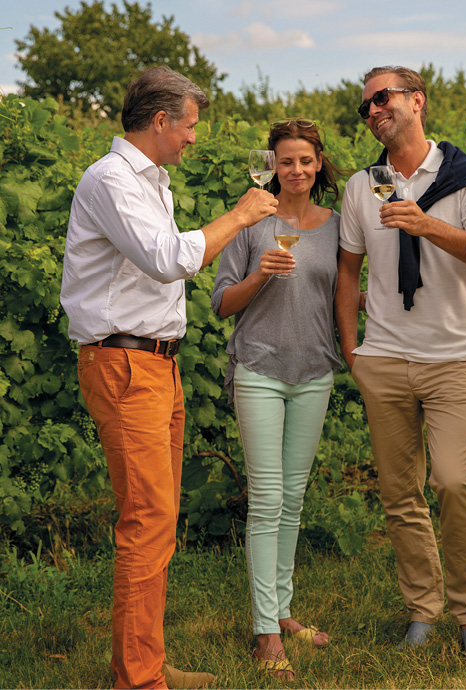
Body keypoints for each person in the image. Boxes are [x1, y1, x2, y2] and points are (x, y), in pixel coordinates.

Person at [60, 65, 277, 689]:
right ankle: (137, 679)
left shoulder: (151, 182)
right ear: (160, 121)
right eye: (188, 127)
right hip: (126, 364)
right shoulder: (112, 180)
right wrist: (239, 216)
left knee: (157, 518)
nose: (191, 139)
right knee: (146, 521)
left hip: (155, 363)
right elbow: (167, 259)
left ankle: (144, 664)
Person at [335, 65, 466, 658]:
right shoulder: (364, 185)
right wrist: (350, 350)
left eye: (382, 98)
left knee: (456, 484)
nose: (373, 111)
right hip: (382, 358)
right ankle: (422, 609)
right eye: (365, 106)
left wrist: (424, 224)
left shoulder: (465, 181)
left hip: (451, 357)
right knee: (399, 493)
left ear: (417, 100)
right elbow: (347, 272)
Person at [211, 119, 342, 680]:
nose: (296, 170)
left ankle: (282, 612)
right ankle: (267, 631)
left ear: (318, 165)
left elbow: (348, 293)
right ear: (271, 166)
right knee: (267, 499)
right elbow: (221, 304)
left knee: (293, 497)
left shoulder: (337, 226)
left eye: (305, 161)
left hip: (314, 372)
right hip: (260, 369)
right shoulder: (252, 220)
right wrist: (262, 275)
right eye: (286, 161)